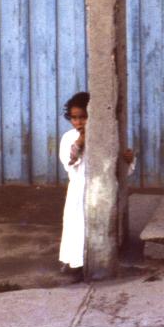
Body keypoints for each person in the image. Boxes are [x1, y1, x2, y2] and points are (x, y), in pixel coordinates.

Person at [58, 91, 135, 281]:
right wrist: (80, 142)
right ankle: (75, 264)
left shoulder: (106, 136)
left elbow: (120, 166)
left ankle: (97, 265)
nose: (78, 122)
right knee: (76, 226)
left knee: (99, 227)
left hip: (101, 190)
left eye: (83, 117)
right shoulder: (69, 138)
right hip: (78, 191)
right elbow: (69, 161)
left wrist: (128, 160)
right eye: (74, 118)